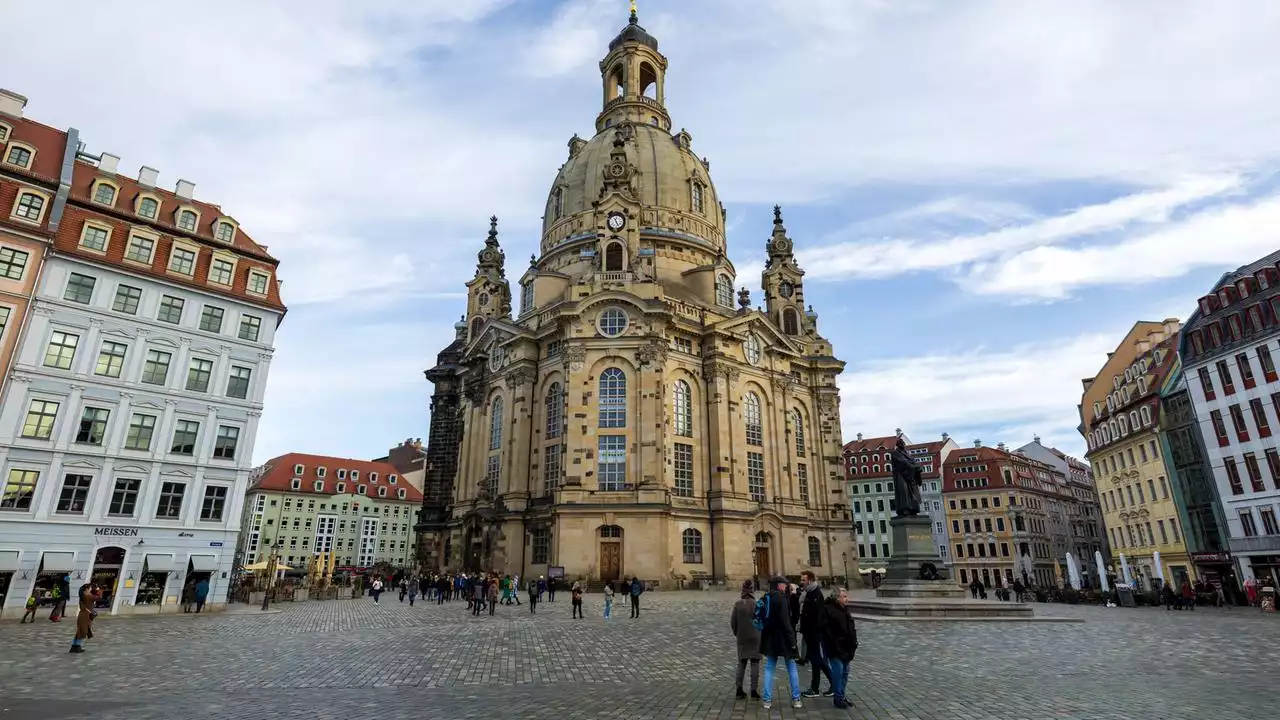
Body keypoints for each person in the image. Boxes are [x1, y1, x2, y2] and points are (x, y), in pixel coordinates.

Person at [758, 576, 802, 710]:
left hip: (770, 638)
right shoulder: (781, 598)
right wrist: (792, 642)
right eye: (784, 584)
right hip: (783, 639)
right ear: (778, 585)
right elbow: (785, 622)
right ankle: (796, 699)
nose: (785, 586)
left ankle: (767, 700)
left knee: (769, 669)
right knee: (792, 668)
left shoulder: (766, 597)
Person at [820, 587, 858, 709]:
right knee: (839, 671)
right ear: (837, 598)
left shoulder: (845, 609)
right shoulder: (828, 610)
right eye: (844, 596)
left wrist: (853, 642)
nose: (847, 599)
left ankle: (840, 695)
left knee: (845, 671)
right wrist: (835, 645)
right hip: (835, 647)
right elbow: (827, 631)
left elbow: (850, 626)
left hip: (847, 646)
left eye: (846, 596)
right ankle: (838, 697)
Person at [798, 571, 834, 698]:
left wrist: (814, 632)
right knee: (816, 660)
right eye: (801, 579)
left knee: (819, 660)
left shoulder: (816, 594)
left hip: (815, 634)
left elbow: (818, 617)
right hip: (809, 633)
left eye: (803, 580)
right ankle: (817, 687)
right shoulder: (808, 592)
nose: (801, 582)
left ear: (810, 580)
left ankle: (821, 687)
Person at [729, 580, 762, 699]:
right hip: (756, 636)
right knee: (755, 663)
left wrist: (737, 633)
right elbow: (762, 621)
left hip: (742, 637)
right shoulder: (757, 604)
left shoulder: (738, 604)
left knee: (741, 663)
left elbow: (733, 622)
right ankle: (754, 690)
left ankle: (739, 689)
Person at [69, 583, 101, 654]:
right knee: (83, 632)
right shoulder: (88, 596)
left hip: (82, 615)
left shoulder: (83, 596)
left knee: (79, 631)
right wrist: (98, 590)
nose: (91, 589)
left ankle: (74, 647)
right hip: (86, 616)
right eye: (90, 588)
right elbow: (98, 597)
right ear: (86, 589)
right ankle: (77, 647)